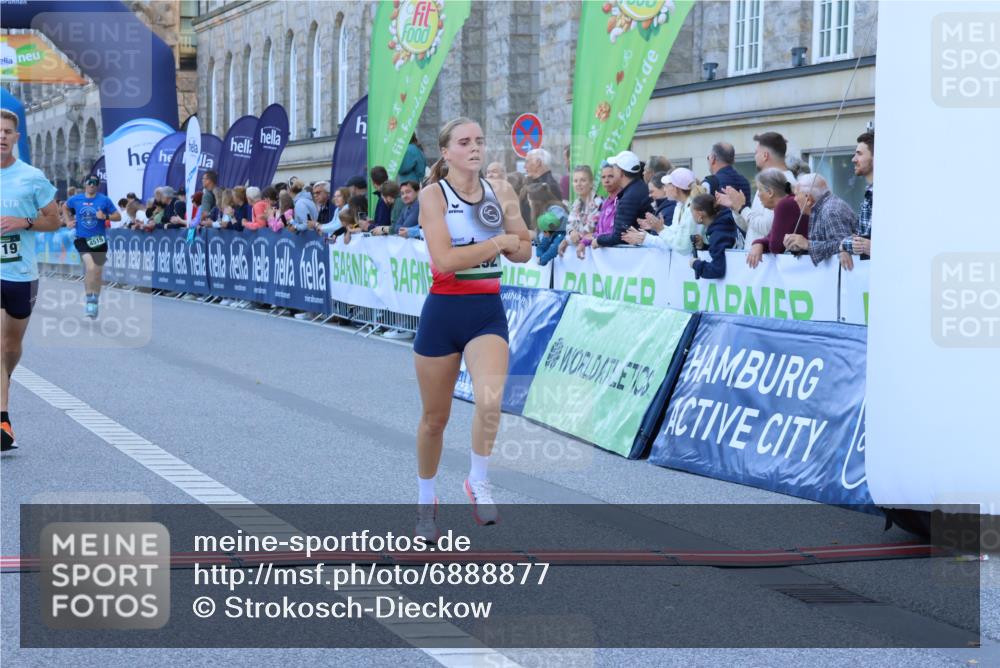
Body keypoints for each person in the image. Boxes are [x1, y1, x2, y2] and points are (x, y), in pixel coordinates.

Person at [413, 117, 531, 539]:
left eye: (479, 140)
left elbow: (525, 249)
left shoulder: (501, 190)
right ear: (446, 152)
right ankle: (426, 502)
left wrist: (510, 245)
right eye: (464, 142)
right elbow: (445, 260)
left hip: (486, 311)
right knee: (434, 419)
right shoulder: (433, 195)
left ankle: (477, 480)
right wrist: (498, 242)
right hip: (443, 312)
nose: (475, 148)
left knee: (490, 400)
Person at [1, 108, 61, 451]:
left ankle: (5, 378)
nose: (1, 136)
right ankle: (3, 421)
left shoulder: (32, 177)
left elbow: (53, 221)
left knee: (10, 347)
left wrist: (23, 222)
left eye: (7, 131)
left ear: (16, 137)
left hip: (20, 273)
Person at [721, 132, 795, 247]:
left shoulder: (784, 182)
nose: (754, 156)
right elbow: (751, 227)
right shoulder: (768, 180)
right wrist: (736, 208)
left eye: (756, 153)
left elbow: (768, 228)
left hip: (767, 256)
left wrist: (742, 208)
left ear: (765, 155)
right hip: (755, 255)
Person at [64, 175, 121, 318]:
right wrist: (68, 221)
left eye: (95, 183)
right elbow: (65, 207)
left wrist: (105, 217)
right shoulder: (76, 199)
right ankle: (89, 299)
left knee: (97, 273)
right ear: (85, 184)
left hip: (99, 240)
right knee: (90, 267)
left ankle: (94, 302)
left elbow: (118, 216)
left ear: (98, 185)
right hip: (82, 239)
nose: (92, 185)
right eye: (89, 182)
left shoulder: (104, 200)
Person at [624, 168, 704, 254]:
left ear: (676, 188)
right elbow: (674, 237)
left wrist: (657, 231)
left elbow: (682, 247)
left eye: (666, 186)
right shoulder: (680, 206)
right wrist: (657, 227)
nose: (665, 189)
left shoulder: (691, 208)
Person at [784, 173, 857, 268]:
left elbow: (844, 245)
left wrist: (807, 244)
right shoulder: (823, 207)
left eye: (797, 194)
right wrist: (800, 247)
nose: (795, 199)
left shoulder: (830, 210)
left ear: (808, 199)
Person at [745, 168, 808, 268]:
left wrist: (761, 243)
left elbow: (775, 247)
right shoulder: (789, 201)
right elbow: (772, 237)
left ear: (770, 192)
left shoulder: (784, 205)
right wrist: (759, 243)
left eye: (760, 190)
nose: (758, 195)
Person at [593, 150, 654, 248]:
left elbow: (619, 236)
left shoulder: (629, 197)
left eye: (614, 167)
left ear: (621, 172)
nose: (613, 170)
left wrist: (598, 240)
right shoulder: (640, 187)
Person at [689, 194, 738, 279]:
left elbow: (717, 270)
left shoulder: (718, 234)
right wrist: (704, 246)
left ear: (700, 214)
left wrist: (696, 264)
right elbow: (723, 251)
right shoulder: (724, 224)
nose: (691, 215)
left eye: (692, 212)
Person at [559, 165, 602, 259]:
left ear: (591, 183)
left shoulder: (599, 203)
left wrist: (568, 240)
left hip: (596, 255)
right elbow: (569, 226)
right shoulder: (576, 203)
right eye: (575, 181)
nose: (578, 184)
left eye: (583, 180)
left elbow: (589, 231)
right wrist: (571, 233)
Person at [843, 130, 873, 262]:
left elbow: (863, 243)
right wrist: (845, 246)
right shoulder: (870, 192)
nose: (853, 159)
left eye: (859, 154)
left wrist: (844, 245)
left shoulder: (886, 195)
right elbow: (860, 241)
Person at [519, 148, 562, 224]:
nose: (524, 166)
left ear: (538, 163)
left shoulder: (549, 186)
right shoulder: (533, 183)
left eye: (527, 162)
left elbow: (551, 221)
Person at [703, 142, 751, 206]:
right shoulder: (744, 181)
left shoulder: (709, 183)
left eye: (708, 158)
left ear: (713, 159)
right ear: (733, 160)